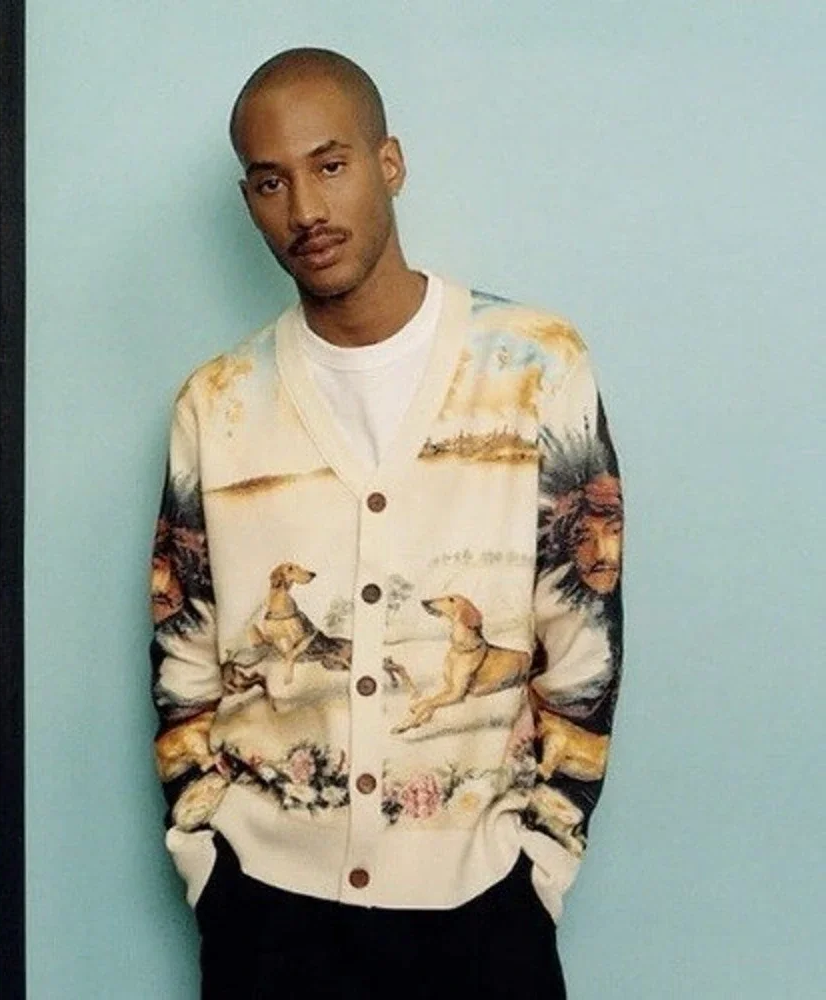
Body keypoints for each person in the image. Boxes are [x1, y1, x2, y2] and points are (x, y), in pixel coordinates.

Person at [149, 46, 624, 1000]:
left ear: (389, 163)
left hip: (483, 909)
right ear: (248, 200)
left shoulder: (535, 366)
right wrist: (209, 863)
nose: (306, 210)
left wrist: (540, 863)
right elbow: (181, 648)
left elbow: (583, 635)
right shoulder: (218, 403)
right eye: (271, 182)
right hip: (266, 916)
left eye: (331, 165)